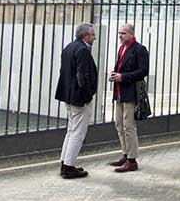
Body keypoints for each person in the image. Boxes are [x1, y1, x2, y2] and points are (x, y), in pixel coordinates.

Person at [55, 22, 98, 179]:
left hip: (68, 95)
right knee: (78, 133)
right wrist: (87, 95)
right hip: (79, 98)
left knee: (71, 130)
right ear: (85, 36)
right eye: (92, 34)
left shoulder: (69, 47)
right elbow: (82, 76)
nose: (94, 37)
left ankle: (65, 162)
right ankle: (69, 166)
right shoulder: (82, 50)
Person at [108, 23, 149, 173]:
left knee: (128, 126)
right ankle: (125, 154)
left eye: (123, 33)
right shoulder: (121, 48)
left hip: (130, 93)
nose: (120, 36)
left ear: (131, 34)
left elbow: (143, 71)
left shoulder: (139, 49)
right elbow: (121, 67)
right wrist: (115, 74)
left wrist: (123, 77)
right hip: (119, 92)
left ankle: (132, 160)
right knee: (119, 124)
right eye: (119, 33)